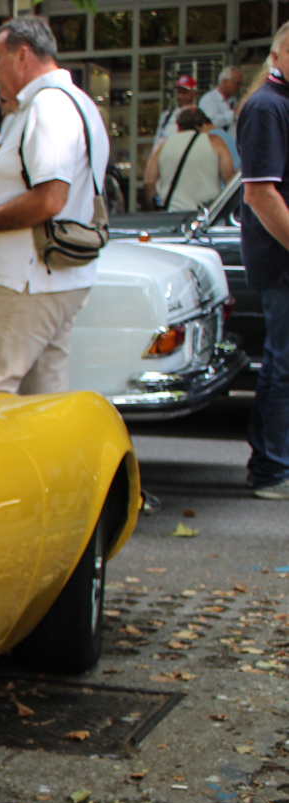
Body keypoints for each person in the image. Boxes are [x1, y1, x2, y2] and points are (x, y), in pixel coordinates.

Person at [0, 16, 109, 396]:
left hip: (31, 279)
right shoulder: (72, 103)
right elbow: (9, 175)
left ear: (22, 56)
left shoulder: (49, 107)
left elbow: (50, 198)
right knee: (42, 401)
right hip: (53, 276)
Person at [236, 23, 289, 497]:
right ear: (276, 56)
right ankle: (273, 470)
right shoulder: (268, 106)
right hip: (281, 260)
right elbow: (259, 193)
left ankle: (273, 464)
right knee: (283, 364)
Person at [144, 107, 233, 211]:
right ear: (202, 124)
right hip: (205, 212)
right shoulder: (215, 143)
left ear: (178, 125)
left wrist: (155, 207)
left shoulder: (163, 145)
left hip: (172, 212)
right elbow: (229, 178)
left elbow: (149, 183)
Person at [154, 75, 200, 141]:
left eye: (184, 93)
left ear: (195, 93)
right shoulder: (166, 116)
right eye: (179, 92)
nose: (180, 96)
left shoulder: (200, 116)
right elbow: (158, 141)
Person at [200, 66, 243, 133]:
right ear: (225, 81)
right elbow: (211, 123)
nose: (239, 87)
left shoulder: (234, 100)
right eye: (237, 83)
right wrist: (233, 114)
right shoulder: (208, 100)